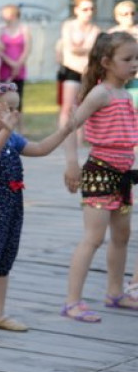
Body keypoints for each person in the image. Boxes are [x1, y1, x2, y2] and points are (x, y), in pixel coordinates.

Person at [0, 82, 75, 341]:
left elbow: (40, 148)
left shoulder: (10, 136)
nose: (15, 114)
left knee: (3, 261)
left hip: (13, 202)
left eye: (16, 108)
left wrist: (66, 129)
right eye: (8, 109)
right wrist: (7, 131)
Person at [62, 32, 138, 323]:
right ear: (106, 62)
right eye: (127, 59)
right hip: (99, 172)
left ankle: (115, 292)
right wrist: (72, 163)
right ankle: (72, 302)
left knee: (122, 236)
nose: (134, 65)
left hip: (123, 175)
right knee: (93, 238)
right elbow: (71, 126)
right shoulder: (100, 93)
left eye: (136, 59)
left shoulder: (125, 93)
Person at [57, 0, 100, 134]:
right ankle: (62, 136)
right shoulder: (68, 25)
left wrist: (81, 48)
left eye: (91, 9)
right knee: (68, 106)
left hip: (88, 72)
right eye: (85, 9)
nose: (89, 12)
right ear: (76, 10)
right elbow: (70, 48)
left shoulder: (95, 29)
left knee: (83, 107)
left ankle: (80, 140)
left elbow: (92, 50)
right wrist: (84, 48)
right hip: (71, 70)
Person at [0, 4, 31, 101]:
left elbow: (27, 49)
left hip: (19, 70)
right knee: (3, 100)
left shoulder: (24, 29)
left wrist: (18, 65)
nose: (2, 15)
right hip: (4, 69)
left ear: (13, 14)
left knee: (17, 100)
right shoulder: (0, 30)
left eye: (4, 13)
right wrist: (12, 63)